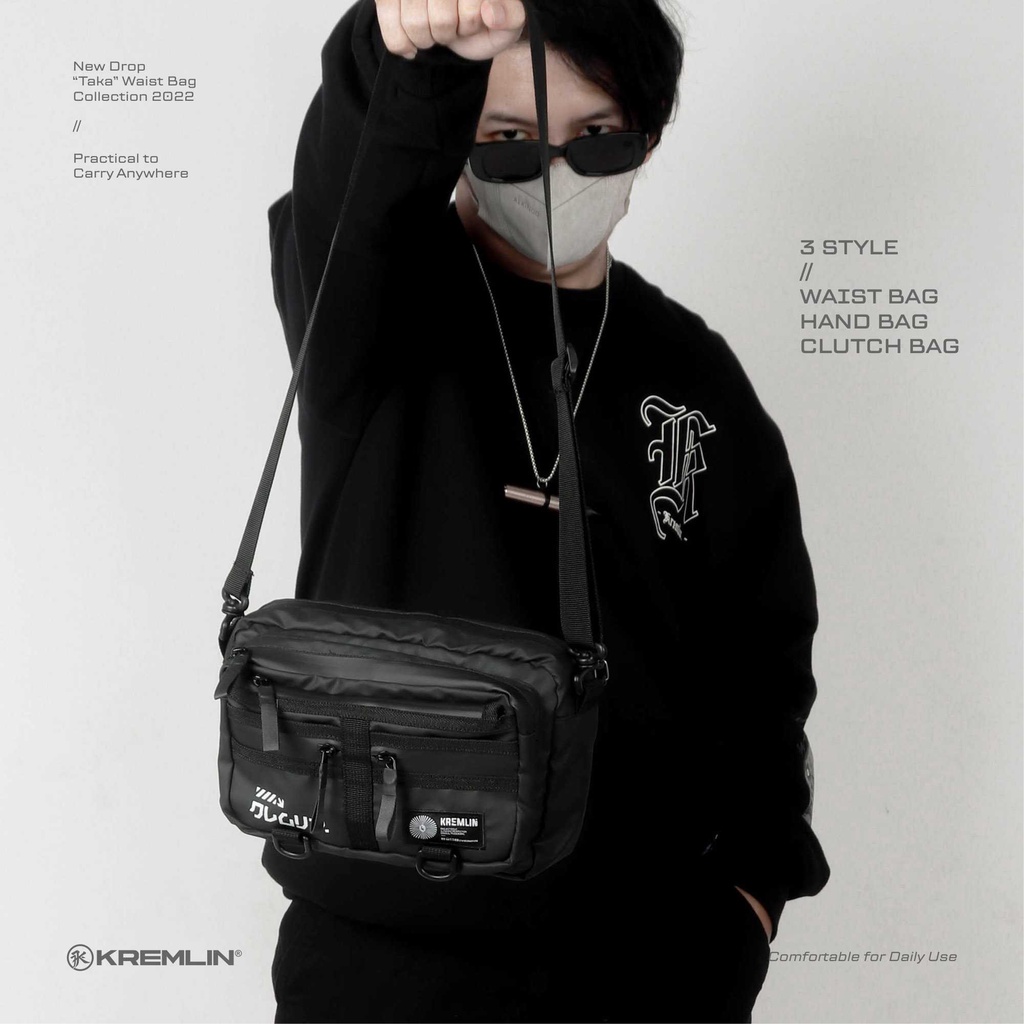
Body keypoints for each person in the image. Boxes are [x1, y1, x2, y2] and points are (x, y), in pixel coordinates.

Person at [264, 1, 830, 1020]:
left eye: (595, 136)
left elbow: (762, 661)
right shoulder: (373, 306)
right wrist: (406, 54)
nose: (556, 171)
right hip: (383, 955)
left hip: (649, 957)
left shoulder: (694, 373)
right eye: (508, 141)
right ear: (456, 136)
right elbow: (355, 184)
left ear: (645, 138)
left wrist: (750, 897)